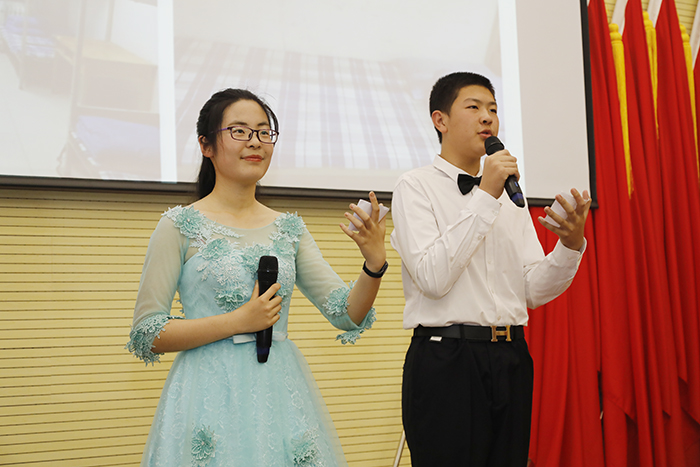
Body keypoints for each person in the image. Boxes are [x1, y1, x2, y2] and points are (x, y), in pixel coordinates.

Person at [126, 88, 388, 466]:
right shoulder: (178, 226)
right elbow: (147, 333)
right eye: (240, 131)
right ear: (205, 145)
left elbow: (346, 313)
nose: (255, 142)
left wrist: (374, 264)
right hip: (207, 397)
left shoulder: (290, 229)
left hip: (278, 396)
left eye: (264, 132)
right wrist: (238, 322)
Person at [390, 72, 591, 466]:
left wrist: (569, 246)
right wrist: (485, 195)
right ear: (440, 120)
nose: (487, 117)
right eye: (474, 107)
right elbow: (432, 278)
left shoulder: (508, 195)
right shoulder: (415, 186)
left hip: (511, 357)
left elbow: (531, 289)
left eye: (493, 109)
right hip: (447, 359)